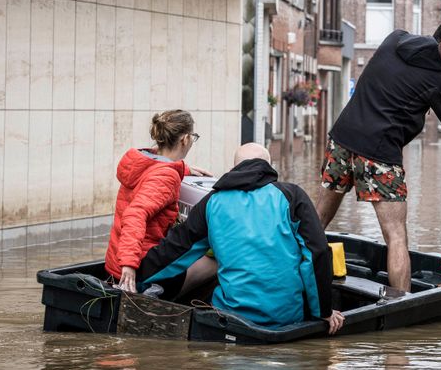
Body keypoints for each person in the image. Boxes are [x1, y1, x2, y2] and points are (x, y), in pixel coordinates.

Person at [316, 21, 441, 293]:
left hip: (342, 139)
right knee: (396, 235)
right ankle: (401, 304)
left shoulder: (394, 40)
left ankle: (291, 275)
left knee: (318, 219)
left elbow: (416, 67)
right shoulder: (438, 83)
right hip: (379, 155)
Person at [138, 143, 345, 335]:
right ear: (269, 165)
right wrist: (324, 311)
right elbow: (317, 252)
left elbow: (176, 250)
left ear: (234, 167)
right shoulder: (292, 196)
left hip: (230, 317)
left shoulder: (212, 202)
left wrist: (133, 276)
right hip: (286, 318)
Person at [105, 109, 213, 292]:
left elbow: (154, 175)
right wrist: (130, 265)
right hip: (139, 266)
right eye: (193, 137)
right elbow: (135, 214)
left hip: (114, 262)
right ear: (185, 139)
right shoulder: (166, 176)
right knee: (215, 261)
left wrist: (183, 170)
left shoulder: (141, 162)